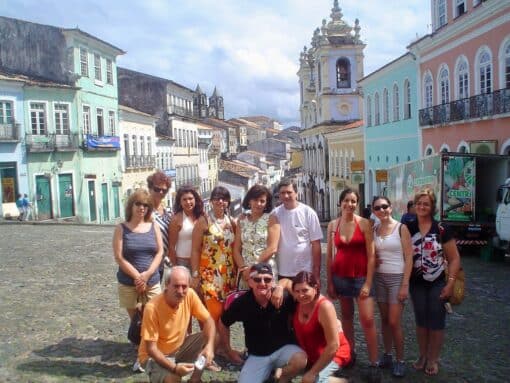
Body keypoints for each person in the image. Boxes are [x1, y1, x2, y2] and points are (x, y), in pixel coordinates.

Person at [218, 263, 307, 383]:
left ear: (273, 281)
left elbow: (302, 296)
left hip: (283, 349)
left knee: (300, 360)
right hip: (258, 355)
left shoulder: (284, 297)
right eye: (257, 279)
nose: (263, 283)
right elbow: (223, 323)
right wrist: (228, 350)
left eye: (267, 279)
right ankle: (269, 373)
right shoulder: (242, 303)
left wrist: (281, 286)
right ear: (250, 282)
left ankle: (282, 378)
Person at [326, 188, 380, 383]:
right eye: (346, 200)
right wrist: (330, 281)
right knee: (347, 318)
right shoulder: (333, 225)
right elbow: (329, 257)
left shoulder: (365, 224)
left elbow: (372, 255)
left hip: (361, 278)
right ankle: (350, 355)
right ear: (340, 203)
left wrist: (368, 282)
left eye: (353, 201)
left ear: (357, 204)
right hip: (340, 277)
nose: (350, 204)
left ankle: (374, 363)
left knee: (367, 320)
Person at [408, 189, 461, 376]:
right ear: (415, 205)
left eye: (426, 204)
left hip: (437, 281)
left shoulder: (441, 229)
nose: (422, 207)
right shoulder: (408, 227)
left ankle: (433, 358)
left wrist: (451, 283)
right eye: (419, 203)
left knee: (436, 321)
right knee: (421, 321)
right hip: (416, 283)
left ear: (432, 207)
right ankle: (422, 355)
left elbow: (454, 258)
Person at [112, 189, 163, 372]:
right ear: (131, 206)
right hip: (128, 282)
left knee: (153, 318)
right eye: (138, 204)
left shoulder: (153, 226)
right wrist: (137, 276)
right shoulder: (121, 229)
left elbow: (160, 252)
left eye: (145, 205)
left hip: (151, 281)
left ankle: (148, 354)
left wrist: (147, 274)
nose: (142, 208)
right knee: (137, 321)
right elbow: (119, 257)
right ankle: (143, 355)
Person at [138, 266, 215, 383]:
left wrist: (209, 346)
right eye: (176, 286)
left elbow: (209, 321)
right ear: (166, 285)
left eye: (184, 286)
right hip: (154, 356)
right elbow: (151, 349)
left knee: (213, 336)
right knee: (173, 379)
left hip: (178, 349)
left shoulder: (190, 294)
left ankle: (194, 380)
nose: (180, 291)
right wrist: (174, 368)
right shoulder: (152, 308)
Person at [190, 186, 237, 362]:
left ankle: (224, 348)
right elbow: (195, 250)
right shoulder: (204, 221)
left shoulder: (232, 222)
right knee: (213, 316)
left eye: (224, 198)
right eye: (217, 198)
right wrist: (195, 274)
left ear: (228, 202)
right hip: (209, 275)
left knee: (225, 316)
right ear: (211, 201)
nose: (220, 201)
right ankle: (208, 352)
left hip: (228, 277)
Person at [282, 271, 351, 383]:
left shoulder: (325, 307)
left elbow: (334, 345)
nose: (301, 295)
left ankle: (343, 381)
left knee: (309, 380)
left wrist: (312, 373)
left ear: (315, 288)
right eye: (297, 291)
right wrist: (279, 288)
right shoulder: (299, 297)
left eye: (305, 290)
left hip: (335, 353)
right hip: (313, 354)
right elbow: (285, 281)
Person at [371, 196, 413, 377]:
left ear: (391, 207)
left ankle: (400, 360)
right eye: (377, 208)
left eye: (385, 206)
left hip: (397, 278)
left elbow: (410, 257)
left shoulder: (401, 228)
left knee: (395, 321)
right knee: (385, 320)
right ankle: (387, 355)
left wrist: (405, 284)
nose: (382, 210)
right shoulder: (374, 229)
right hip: (379, 278)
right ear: (373, 211)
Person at [272, 178, 322, 280]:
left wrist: (316, 272)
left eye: (289, 192)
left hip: (304, 271)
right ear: (279, 195)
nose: (286, 196)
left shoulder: (308, 213)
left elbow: (316, 244)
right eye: (282, 193)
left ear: (296, 193)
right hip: (283, 271)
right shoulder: (275, 214)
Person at [233, 184, 280, 288]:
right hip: (245, 274)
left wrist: (253, 269)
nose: (258, 204)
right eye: (255, 200)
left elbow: (272, 248)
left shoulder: (271, 219)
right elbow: (236, 249)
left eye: (262, 201)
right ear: (249, 201)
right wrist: (243, 268)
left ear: (266, 203)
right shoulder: (242, 220)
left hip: (265, 271)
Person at [169, 186, 204, 270]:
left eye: (190, 198)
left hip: (201, 260)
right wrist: (174, 268)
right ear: (180, 202)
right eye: (184, 199)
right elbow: (171, 246)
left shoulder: (202, 216)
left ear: (195, 199)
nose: (188, 202)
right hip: (183, 263)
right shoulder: (176, 219)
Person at [147, 171, 173, 282]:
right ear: (150, 188)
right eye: (157, 189)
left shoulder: (167, 211)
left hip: (161, 262)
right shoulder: (145, 210)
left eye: (164, 190)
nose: (161, 192)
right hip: (148, 261)